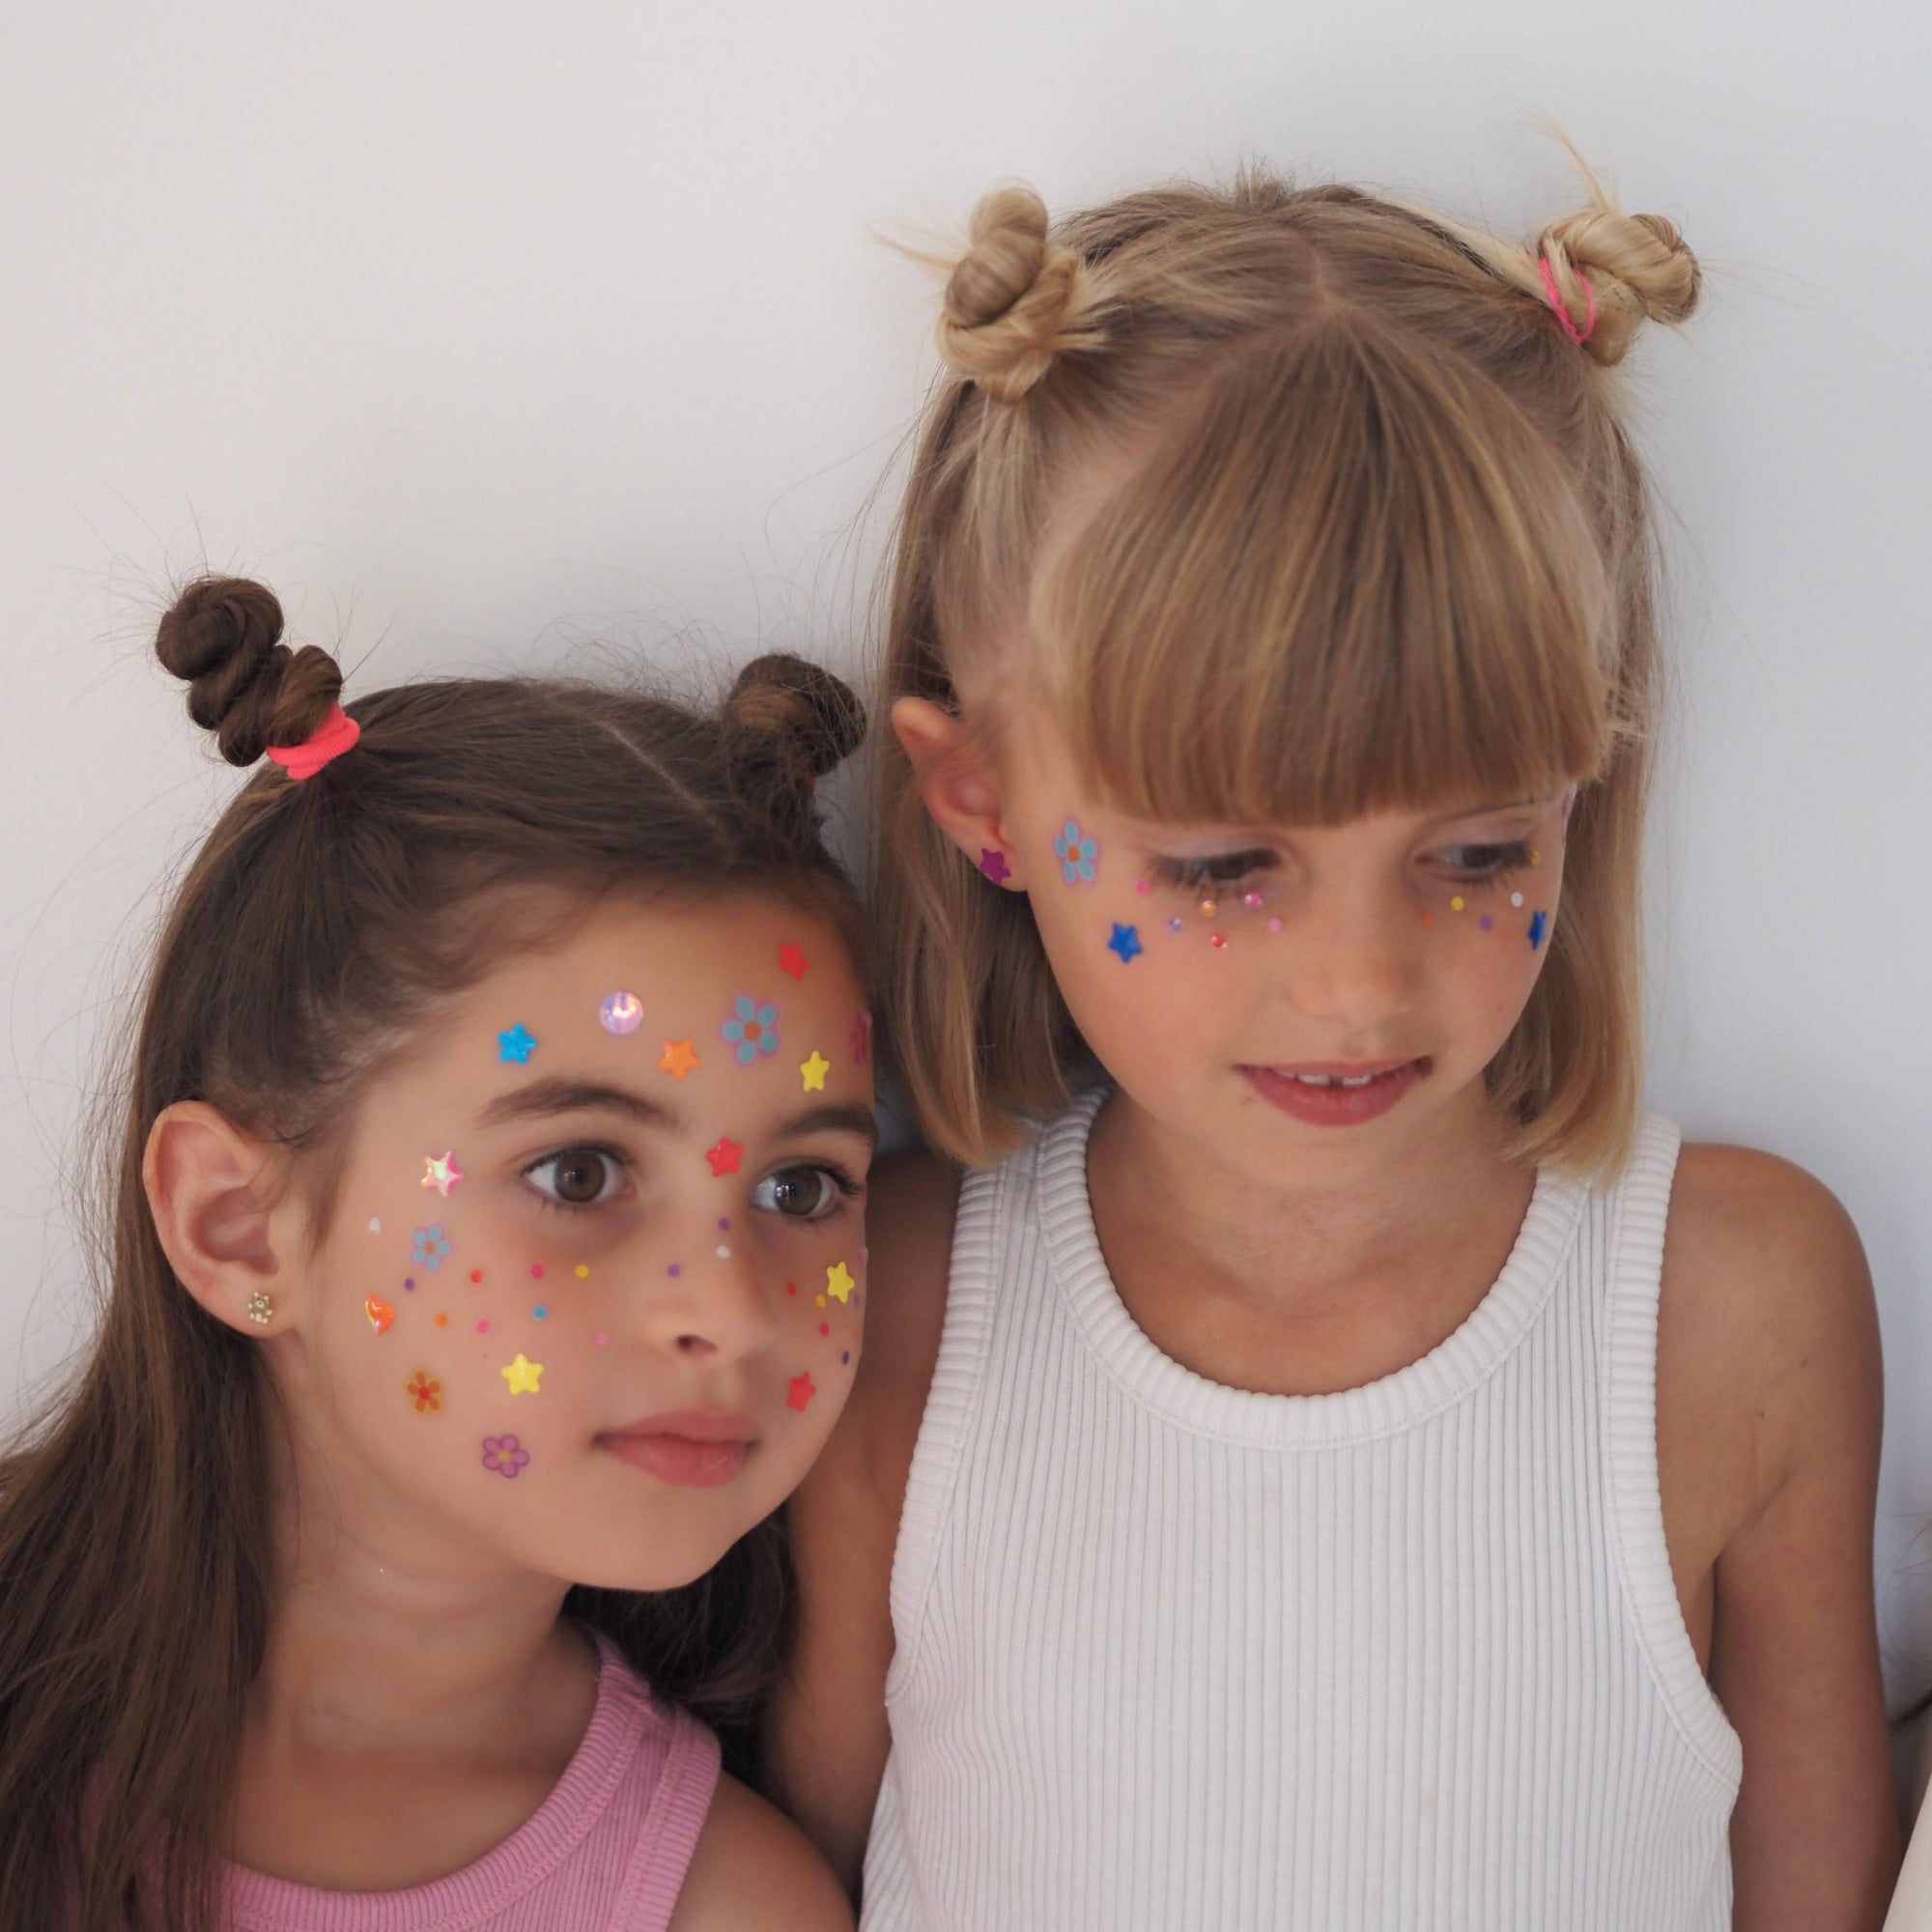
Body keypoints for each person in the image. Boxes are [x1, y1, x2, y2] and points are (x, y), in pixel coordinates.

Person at [774, 162, 1899, 1927]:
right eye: (1226, 868)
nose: (1363, 990)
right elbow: (802, 1877)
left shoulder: (1737, 1305)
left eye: (1476, 852)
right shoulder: (894, 1301)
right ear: (977, 798)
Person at [0, 576, 871, 1929]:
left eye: (805, 1186)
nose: (732, 1313)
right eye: (579, 1173)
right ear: (239, 1224)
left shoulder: (724, 1908)